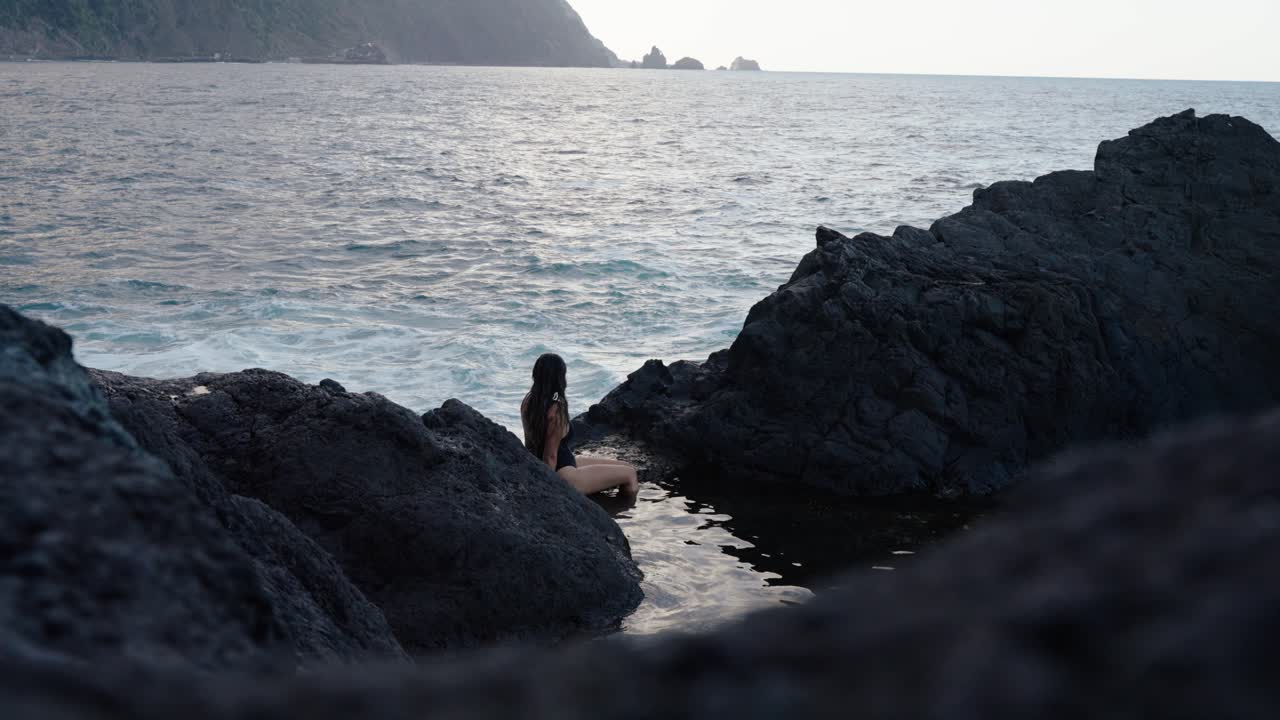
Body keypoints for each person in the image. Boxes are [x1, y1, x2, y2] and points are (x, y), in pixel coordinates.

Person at [521, 353, 639, 496]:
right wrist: (548, 491)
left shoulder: (528, 402)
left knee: (626, 466)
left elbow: (530, 443)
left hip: (561, 463)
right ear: (560, 377)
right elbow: (550, 456)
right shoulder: (556, 410)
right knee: (630, 474)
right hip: (564, 474)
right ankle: (620, 513)